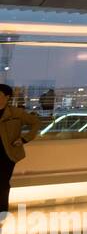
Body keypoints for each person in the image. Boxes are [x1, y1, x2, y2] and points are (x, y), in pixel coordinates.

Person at [0, 84, 40, 215]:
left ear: (7, 97)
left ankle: (2, 213)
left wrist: (24, 139)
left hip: (7, 155)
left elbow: (35, 123)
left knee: (3, 185)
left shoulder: (16, 113)